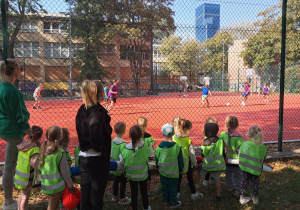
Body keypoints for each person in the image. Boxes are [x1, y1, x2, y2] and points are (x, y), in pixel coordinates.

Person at [75, 80, 112, 210]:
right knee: (96, 197)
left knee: (86, 195)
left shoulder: (82, 108)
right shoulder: (98, 112)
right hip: (97, 160)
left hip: (84, 157)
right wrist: (100, 148)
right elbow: (94, 130)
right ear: (100, 93)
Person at [0, 59, 30, 210]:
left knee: (13, 164)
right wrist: (30, 134)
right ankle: (8, 202)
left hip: (4, 129)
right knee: (10, 166)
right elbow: (21, 117)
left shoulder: (1, 88)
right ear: (14, 71)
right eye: (19, 68)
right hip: (13, 132)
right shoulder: (13, 91)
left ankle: (13, 197)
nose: (21, 70)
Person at [38, 126, 74, 210]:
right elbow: (64, 172)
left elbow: (39, 167)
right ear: (60, 136)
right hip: (56, 186)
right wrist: (70, 184)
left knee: (51, 205)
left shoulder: (43, 149)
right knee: (52, 207)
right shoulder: (60, 153)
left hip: (46, 184)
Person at [117, 125, 151, 210]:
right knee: (144, 192)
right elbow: (148, 157)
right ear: (141, 135)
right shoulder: (145, 145)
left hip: (131, 176)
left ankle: (134, 208)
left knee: (134, 193)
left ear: (129, 135)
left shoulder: (126, 148)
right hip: (143, 174)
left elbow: (122, 160)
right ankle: (146, 207)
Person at [155, 124, 184, 208]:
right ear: (173, 133)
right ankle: (172, 201)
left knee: (165, 186)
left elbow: (157, 158)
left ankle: (166, 200)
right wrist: (181, 169)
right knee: (173, 187)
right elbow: (180, 160)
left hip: (163, 172)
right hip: (174, 172)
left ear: (163, 134)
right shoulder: (177, 147)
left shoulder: (159, 147)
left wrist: (157, 165)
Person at [14, 126, 43, 210]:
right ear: (40, 137)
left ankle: (19, 208)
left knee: (21, 195)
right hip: (27, 178)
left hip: (19, 175)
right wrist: (40, 169)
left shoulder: (23, 145)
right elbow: (34, 163)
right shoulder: (34, 149)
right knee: (25, 197)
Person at [173, 119, 202, 200]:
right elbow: (192, 153)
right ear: (186, 130)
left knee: (178, 178)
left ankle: (177, 193)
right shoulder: (188, 140)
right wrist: (194, 163)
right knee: (190, 178)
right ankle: (193, 193)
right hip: (187, 163)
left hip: (177, 163)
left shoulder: (174, 138)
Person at [239, 125, 267, 205]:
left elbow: (240, 154)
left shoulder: (244, 144)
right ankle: (255, 198)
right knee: (255, 183)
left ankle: (242, 197)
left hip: (245, 168)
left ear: (249, 134)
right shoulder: (262, 147)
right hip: (256, 169)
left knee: (244, 182)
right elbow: (263, 158)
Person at [199, 123, 226, 200]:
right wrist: (224, 159)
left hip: (206, 165)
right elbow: (224, 152)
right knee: (217, 179)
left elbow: (203, 153)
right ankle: (218, 195)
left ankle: (192, 187)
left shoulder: (204, 141)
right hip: (217, 165)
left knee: (199, 173)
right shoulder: (221, 140)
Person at [219, 115, 244, 197]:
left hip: (226, 160)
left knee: (228, 173)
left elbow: (220, 146)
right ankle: (237, 189)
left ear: (226, 124)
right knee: (237, 175)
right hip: (236, 161)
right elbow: (240, 150)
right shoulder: (238, 137)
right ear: (237, 125)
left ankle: (230, 186)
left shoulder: (222, 135)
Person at [110, 122, 131, 205]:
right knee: (122, 181)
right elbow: (124, 155)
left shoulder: (112, 141)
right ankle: (122, 197)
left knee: (115, 181)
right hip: (121, 167)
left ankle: (114, 196)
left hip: (113, 165)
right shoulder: (123, 143)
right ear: (124, 131)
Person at [137, 117, 155, 195]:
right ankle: (147, 191)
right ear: (146, 126)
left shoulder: (135, 135)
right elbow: (151, 147)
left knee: (138, 175)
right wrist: (152, 158)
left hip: (137, 159)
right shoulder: (148, 136)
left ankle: (138, 191)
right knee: (148, 175)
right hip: (147, 159)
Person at [202, 117, 219, 186]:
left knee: (212, 168)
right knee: (207, 168)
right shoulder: (206, 139)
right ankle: (206, 179)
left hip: (214, 157)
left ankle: (211, 179)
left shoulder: (217, 139)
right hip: (209, 158)